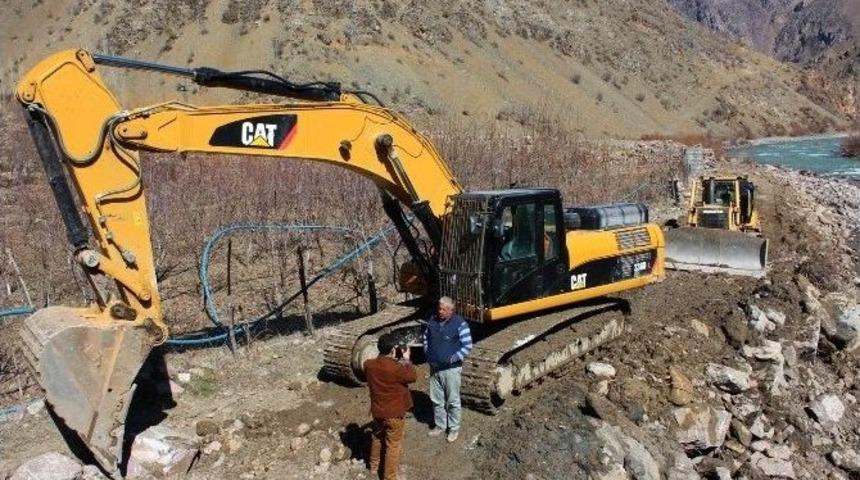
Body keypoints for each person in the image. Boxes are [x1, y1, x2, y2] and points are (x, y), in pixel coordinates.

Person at [364, 334, 417, 480]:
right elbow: (412, 377)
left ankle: (373, 466)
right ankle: (390, 477)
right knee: (393, 445)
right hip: (394, 413)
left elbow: (378, 366)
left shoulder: (368, 365)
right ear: (393, 349)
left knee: (377, 436)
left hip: (377, 411)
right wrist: (406, 359)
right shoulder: (397, 369)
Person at [423, 296, 473, 442]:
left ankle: (454, 428)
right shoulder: (432, 322)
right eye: (439, 308)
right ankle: (440, 426)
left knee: (452, 400)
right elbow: (426, 339)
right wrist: (428, 353)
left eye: (444, 309)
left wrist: (453, 358)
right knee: (436, 400)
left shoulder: (460, 324)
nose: (440, 311)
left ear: (451, 310)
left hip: (451, 369)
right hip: (434, 368)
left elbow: (467, 346)